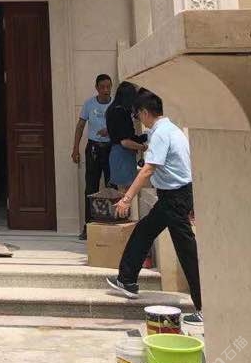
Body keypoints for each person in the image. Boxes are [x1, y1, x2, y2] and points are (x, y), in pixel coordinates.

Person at [105, 89, 203, 327]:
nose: (138, 120)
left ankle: (204, 306)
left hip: (175, 197)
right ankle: (127, 279)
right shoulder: (171, 129)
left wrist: (127, 198)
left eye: (138, 115)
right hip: (174, 195)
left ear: (145, 112)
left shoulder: (160, 134)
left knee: (186, 250)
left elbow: (148, 169)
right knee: (144, 231)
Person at [72, 73, 112, 239]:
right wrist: (75, 148)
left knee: (111, 187)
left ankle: (111, 224)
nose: (105, 90)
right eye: (102, 87)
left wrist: (110, 131)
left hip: (111, 149)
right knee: (91, 187)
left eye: (108, 87)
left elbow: (122, 126)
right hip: (94, 148)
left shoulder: (115, 105)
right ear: (96, 88)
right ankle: (88, 226)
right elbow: (80, 126)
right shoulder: (89, 104)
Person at [105, 81, 146, 190]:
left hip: (118, 154)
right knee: (127, 192)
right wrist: (142, 147)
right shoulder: (120, 113)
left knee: (124, 192)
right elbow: (125, 142)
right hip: (123, 155)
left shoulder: (112, 110)